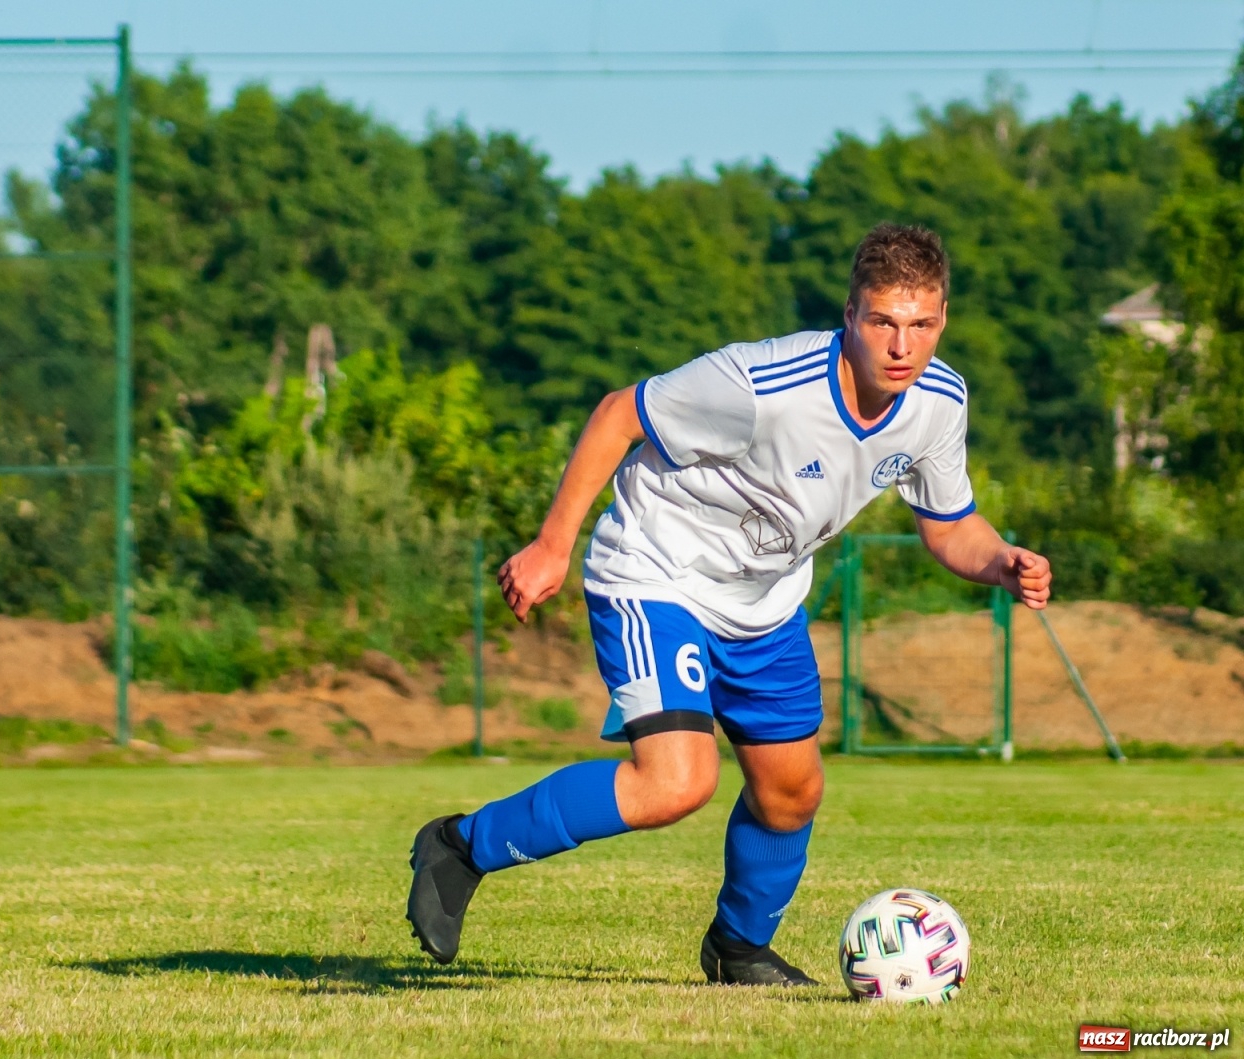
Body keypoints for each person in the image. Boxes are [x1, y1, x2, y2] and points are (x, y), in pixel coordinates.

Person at [406, 223, 1052, 985]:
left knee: (791, 793)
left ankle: (738, 949)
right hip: (657, 572)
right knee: (676, 783)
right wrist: (552, 545)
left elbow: (949, 526)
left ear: (943, 320)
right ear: (850, 314)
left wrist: (1000, 560)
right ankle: (461, 846)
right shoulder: (762, 384)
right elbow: (619, 414)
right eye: (883, 321)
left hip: (763, 606)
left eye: (922, 325)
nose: (901, 345)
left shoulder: (939, 402)